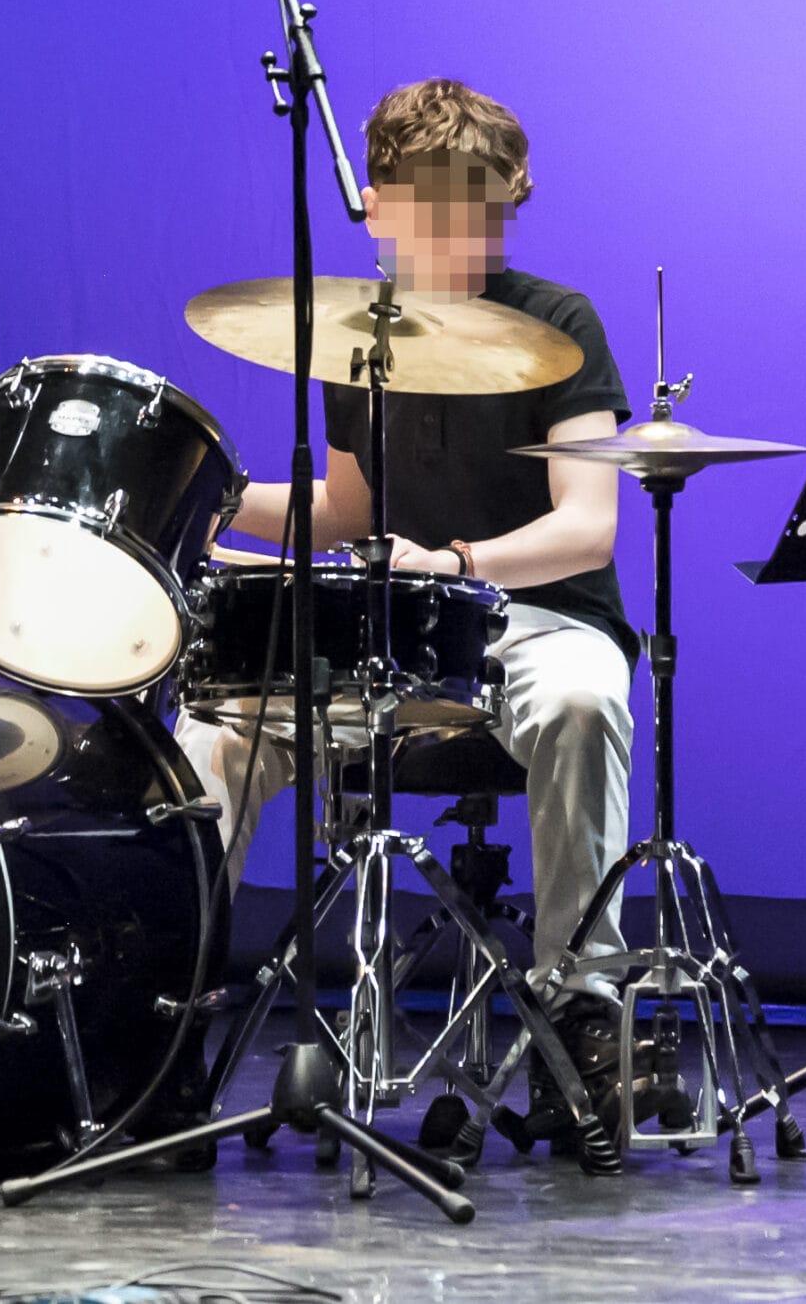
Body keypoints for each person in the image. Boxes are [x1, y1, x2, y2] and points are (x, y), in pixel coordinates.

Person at [177, 76, 667, 1149]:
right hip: (394, 635)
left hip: (535, 618)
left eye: (487, 210)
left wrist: (453, 561)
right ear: (381, 208)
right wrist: (201, 497)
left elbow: (587, 527)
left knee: (585, 703)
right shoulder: (353, 335)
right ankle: (163, 1020)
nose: (469, 233)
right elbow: (345, 511)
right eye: (441, 210)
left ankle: (580, 1012)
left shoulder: (559, 321)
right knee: (215, 730)